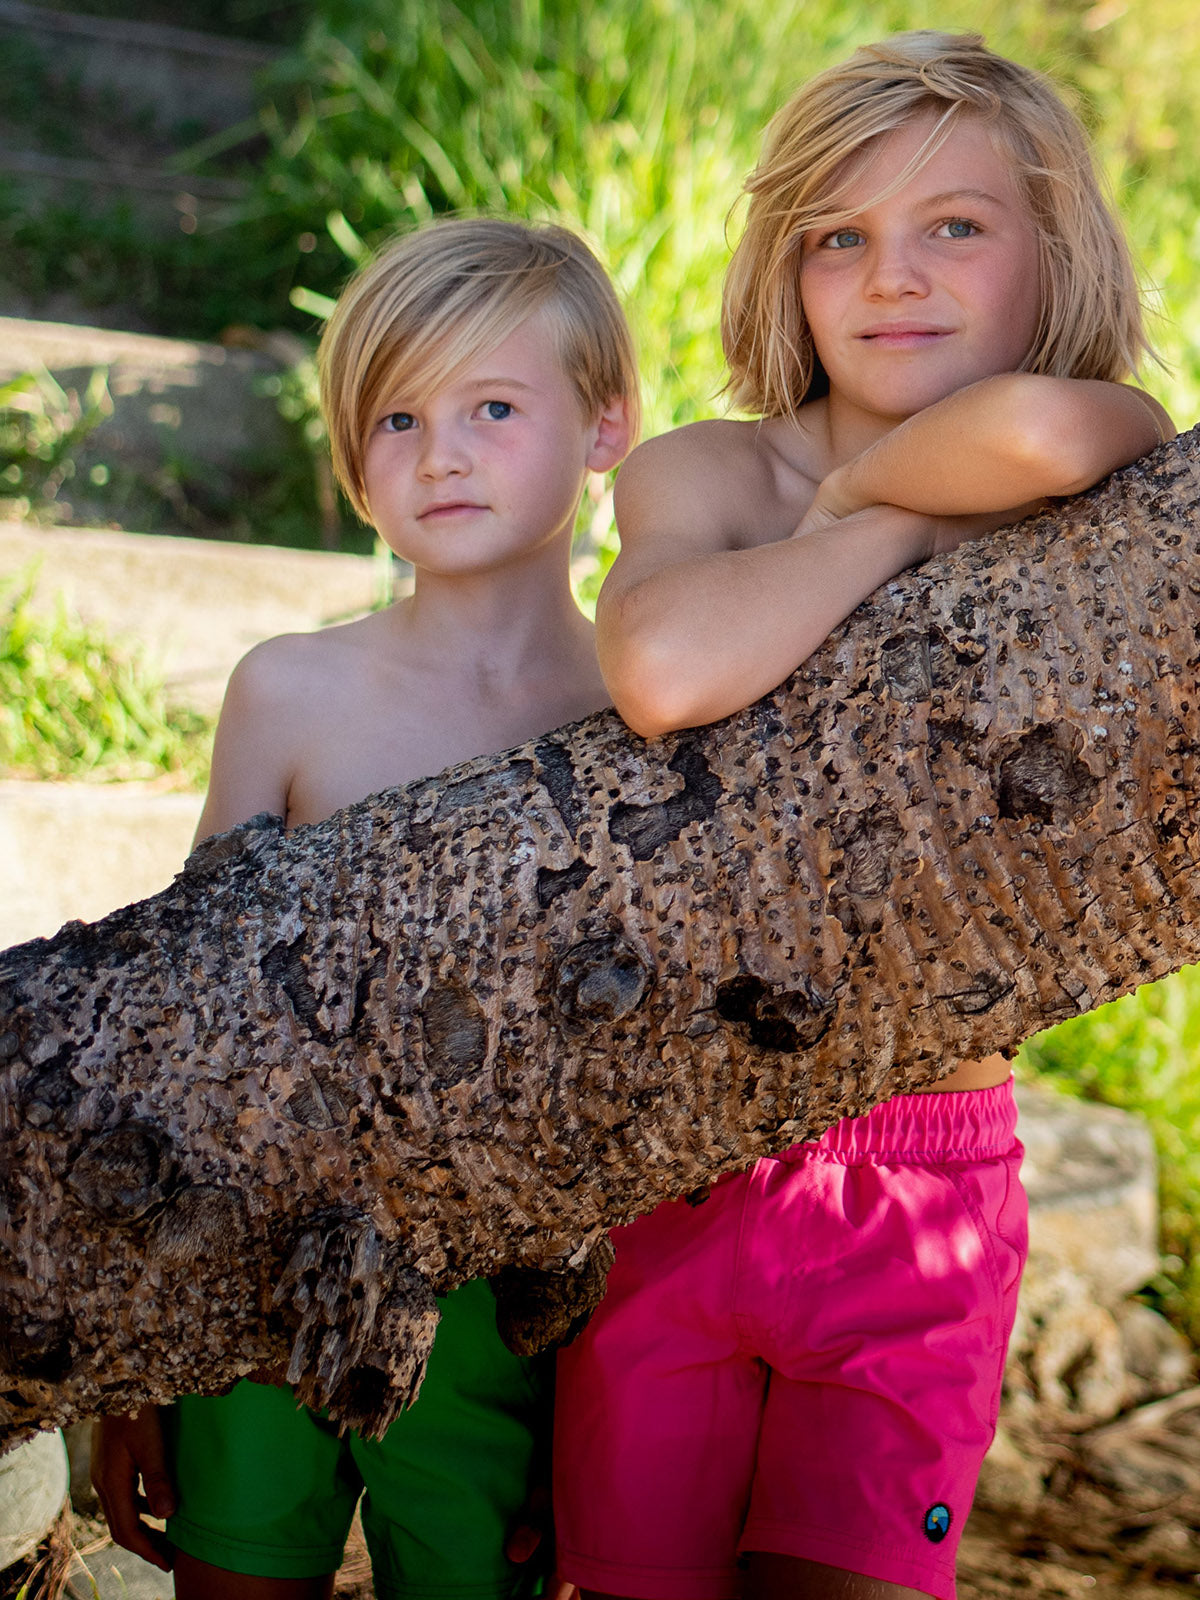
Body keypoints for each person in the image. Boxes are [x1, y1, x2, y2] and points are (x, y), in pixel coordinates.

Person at [553, 31, 1173, 1600]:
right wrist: (867, 517)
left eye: (954, 225)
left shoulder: (1099, 458)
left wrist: (851, 500)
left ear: (1055, 254)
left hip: (921, 1174)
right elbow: (667, 667)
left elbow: (1051, 433)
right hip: (680, 1161)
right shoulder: (708, 474)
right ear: (788, 269)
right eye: (840, 236)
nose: (893, 277)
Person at [91, 215, 638, 1600]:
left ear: (606, 423)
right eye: (397, 418)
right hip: (260, 1272)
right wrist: (139, 1351)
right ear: (351, 461)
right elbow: (187, 1025)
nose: (441, 453)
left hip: (505, 1302)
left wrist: (602, 1407)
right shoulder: (290, 691)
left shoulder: (642, 709)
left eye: (493, 408)